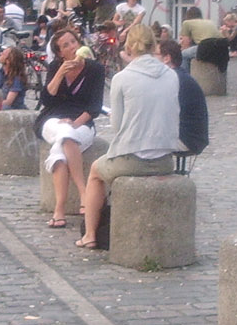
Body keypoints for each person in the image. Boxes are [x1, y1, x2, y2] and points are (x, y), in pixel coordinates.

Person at [75, 24, 179, 249]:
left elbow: (117, 125)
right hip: (164, 158)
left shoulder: (123, 78)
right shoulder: (171, 75)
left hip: (134, 157)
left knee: (95, 172)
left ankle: (90, 234)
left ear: (129, 47)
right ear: (154, 45)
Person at [35, 27, 105, 230]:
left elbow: (94, 107)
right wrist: (59, 74)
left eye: (73, 42)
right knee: (64, 134)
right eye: (66, 46)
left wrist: (75, 124)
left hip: (81, 122)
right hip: (52, 120)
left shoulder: (95, 69)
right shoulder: (56, 66)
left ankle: (59, 210)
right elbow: (46, 100)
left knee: (60, 148)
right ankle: (84, 193)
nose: (72, 47)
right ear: (59, 53)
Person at [159, 39, 208, 157]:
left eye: (154, 55)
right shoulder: (180, 76)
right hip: (193, 137)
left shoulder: (173, 79)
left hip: (186, 139)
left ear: (166, 58)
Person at [178, 6, 221, 71]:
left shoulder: (186, 23)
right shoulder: (209, 22)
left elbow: (185, 43)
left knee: (183, 54)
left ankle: (185, 77)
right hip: (219, 49)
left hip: (205, 48)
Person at [0, 46, 28, 110]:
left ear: (9, 60)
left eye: (3, 54)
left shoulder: (17, 78)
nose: (0, 54)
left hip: (12, 109)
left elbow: (8, 102)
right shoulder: (0, 73)